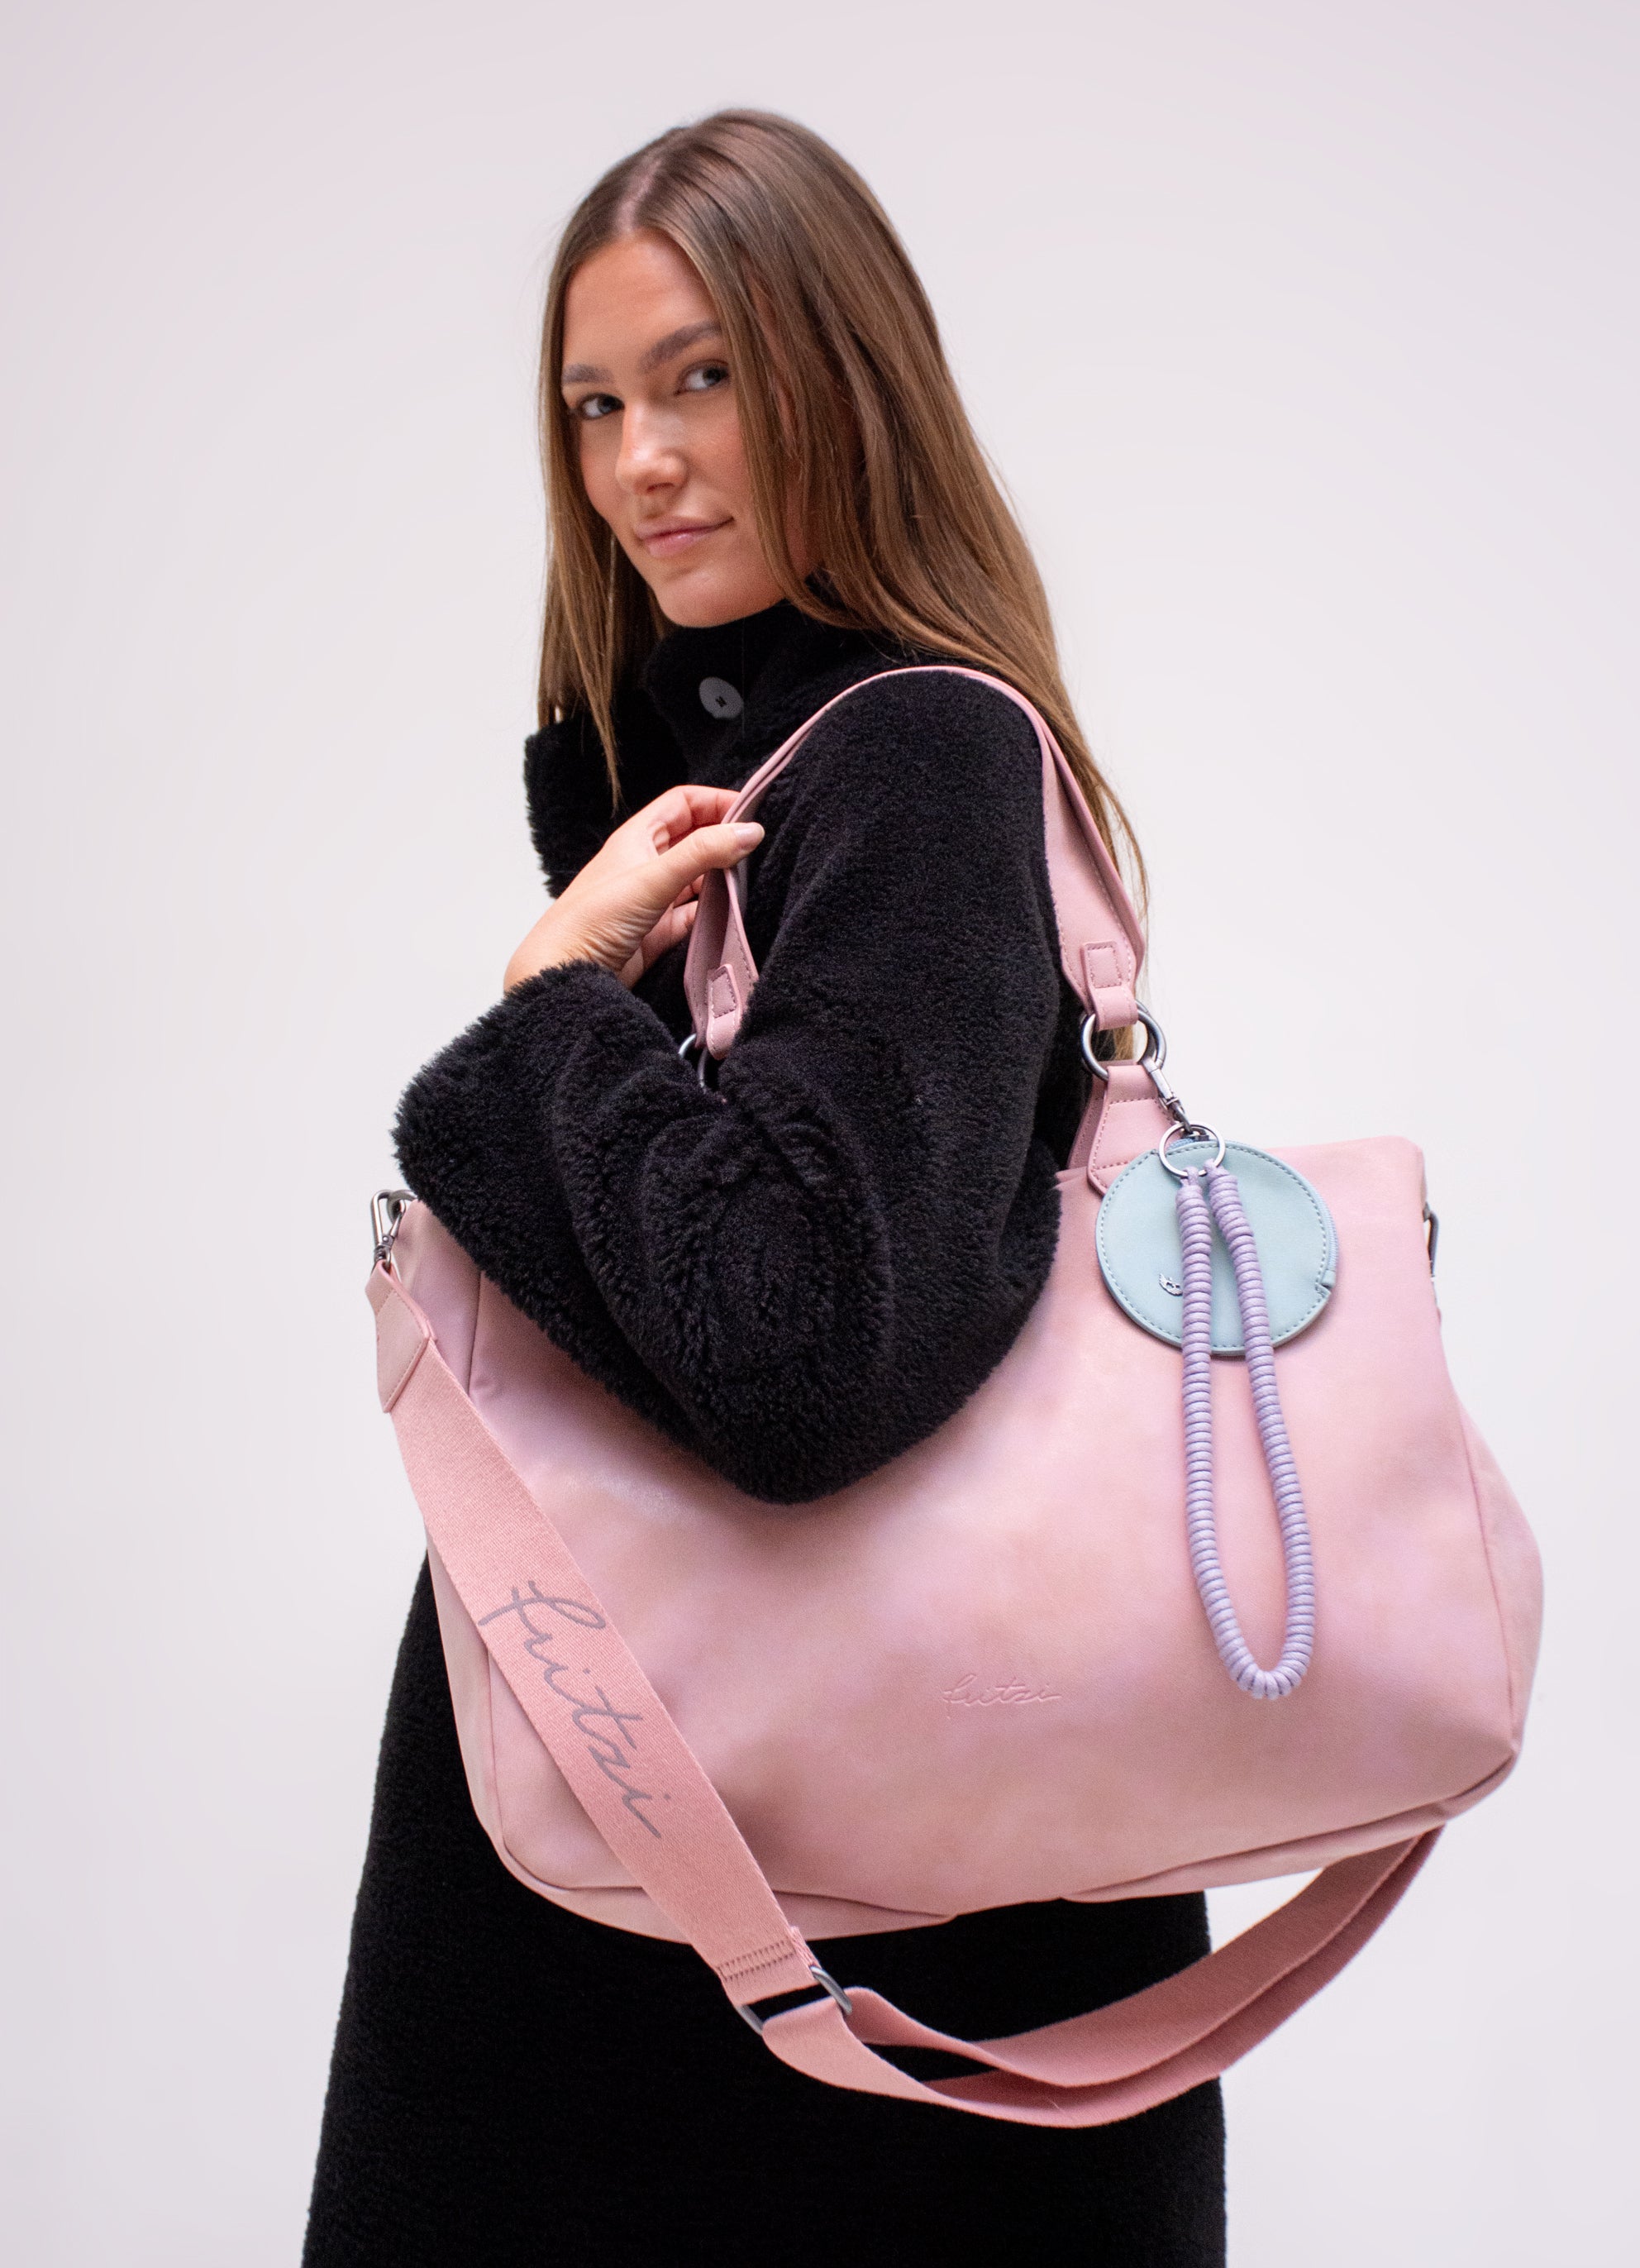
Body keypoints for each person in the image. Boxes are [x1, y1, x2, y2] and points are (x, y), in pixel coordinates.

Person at [304, 109, 1225, 2266]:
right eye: (594, 405)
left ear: (843, 375)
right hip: (745, 1869)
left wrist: (550, 1012)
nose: (642, 460)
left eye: (702, 376)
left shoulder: (911, 751)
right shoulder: (735, 782)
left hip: (777, 1912)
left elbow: (803, 1347)